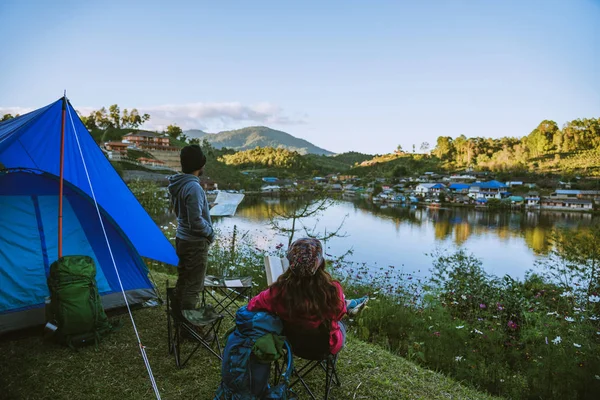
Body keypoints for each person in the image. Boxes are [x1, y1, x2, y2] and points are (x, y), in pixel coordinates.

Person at [247, 238, 368, 355]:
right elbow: (338, 314)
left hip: (291, 344)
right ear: (320, 263)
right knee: (340, 323)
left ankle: (350, 303)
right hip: (325, 347)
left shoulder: (278, 291)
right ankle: (349, 304)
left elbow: (253, 305)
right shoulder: (332, 289)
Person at [168, 144, 215, 312]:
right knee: (194, 286)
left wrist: (206, 207)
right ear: (199, 165)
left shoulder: (179, 184)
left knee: (184, 280)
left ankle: (178, 316)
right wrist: (209, 233)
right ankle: (188, 327)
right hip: (194, 242)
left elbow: (187, 213)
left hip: (182, 238)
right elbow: (195, 221)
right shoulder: (194, 187)